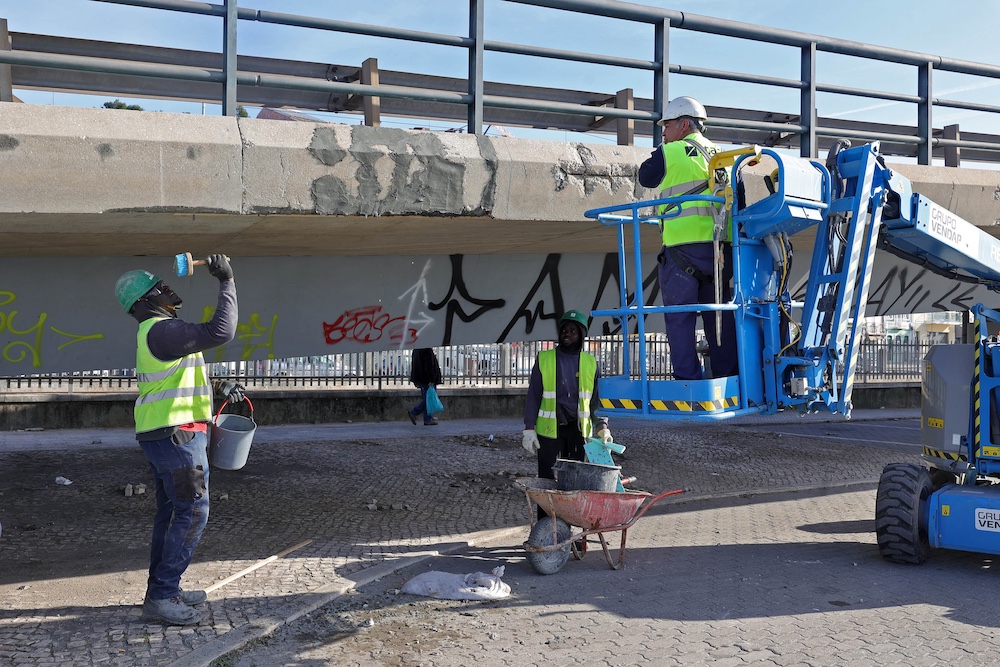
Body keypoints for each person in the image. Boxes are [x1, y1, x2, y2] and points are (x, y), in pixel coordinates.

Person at [114, 254, 240, 626]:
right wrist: (226, 281)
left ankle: (165, 587)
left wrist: (217, 387)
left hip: (167, 435)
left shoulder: (157, 333)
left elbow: (175, 379)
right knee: (193, 511)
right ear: (144, 302)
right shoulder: (160, 329)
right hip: (177, 438)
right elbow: (222, 331)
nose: (168, 289)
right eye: (159, 288)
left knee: (172, 513)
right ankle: (163, 595)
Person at [638, 95, 739, 381]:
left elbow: (645, 177)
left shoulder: (670, 152)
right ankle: (727, 378)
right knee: (719, 317)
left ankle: (687, 381)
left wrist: (664, 148)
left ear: (684, 124)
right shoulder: (726, 156)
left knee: (680, 318)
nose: (663, 133)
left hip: (682, 250)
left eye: (666, 126)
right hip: (721, 251)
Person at [522, 310, 613, 513]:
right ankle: (546, 530)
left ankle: (571, 534)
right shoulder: (544, 358)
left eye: (573, 330)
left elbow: (596, 401)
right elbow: (534, 395)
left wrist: (602, 427)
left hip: (577, 432)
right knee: (546, 484)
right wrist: (529, 428)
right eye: (564, 329)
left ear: (581, 335)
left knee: (574, 484)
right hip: (549, 433)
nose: (567, 333)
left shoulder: (590, 363)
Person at [407, 347, 443, 426]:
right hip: (426, 379)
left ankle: (428, 419)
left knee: (427, 398)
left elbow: (415, 364)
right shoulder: (427, 350)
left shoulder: (416, 349)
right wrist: (431, 380)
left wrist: (415, 379)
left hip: (421, 378)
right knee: (428, 399)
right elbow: (429, 366)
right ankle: (414, 412)